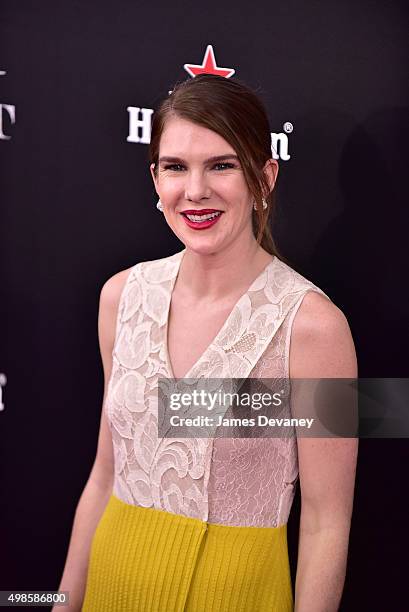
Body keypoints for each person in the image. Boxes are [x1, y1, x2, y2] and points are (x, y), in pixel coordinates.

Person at [55, 74, 358, 611]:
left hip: (237, 593)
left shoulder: (312, 328)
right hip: (112, 581)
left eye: (222, 165)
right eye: (176, 167)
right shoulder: (121, 297)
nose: (195, 190)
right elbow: (105, 475)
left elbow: (325, 524)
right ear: (155, 179)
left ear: (264, 177)